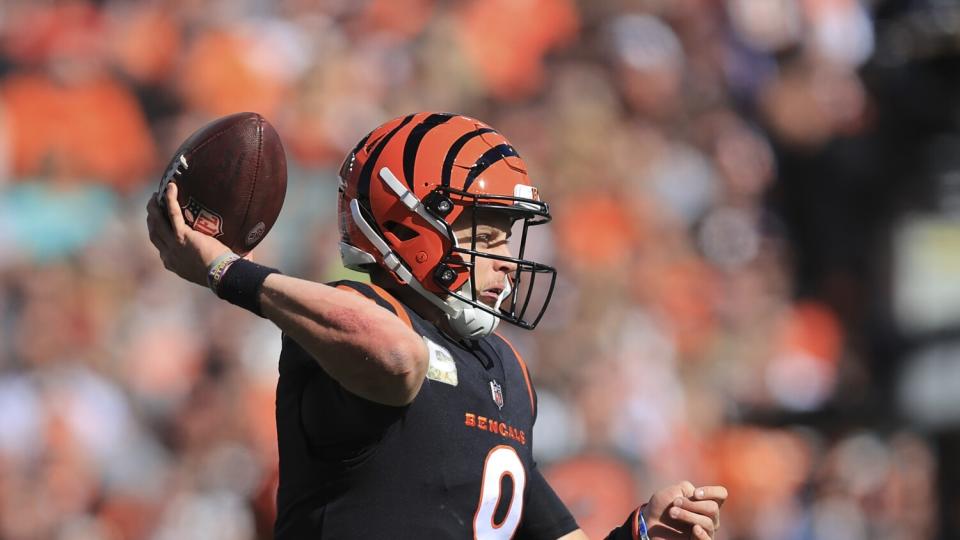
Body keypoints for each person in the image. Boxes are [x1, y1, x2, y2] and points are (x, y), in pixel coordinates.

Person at [146, 112, 728, 539]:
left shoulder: (502, 368)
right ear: (411, 222)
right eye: (489, 229)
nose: (507, 256)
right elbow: (398, 358)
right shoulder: (360, 317)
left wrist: (642, 531)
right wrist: (227, 271)